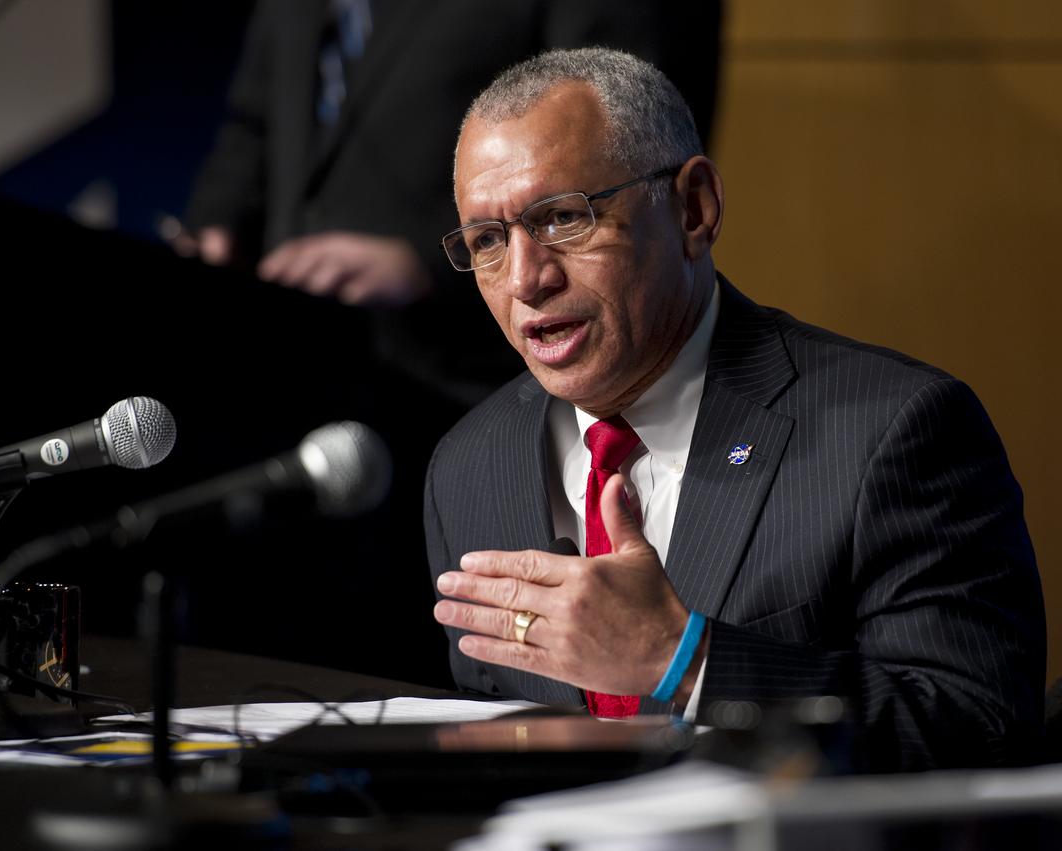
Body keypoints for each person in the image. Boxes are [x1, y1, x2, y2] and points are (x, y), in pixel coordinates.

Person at [424, 47, 1045, 771]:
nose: (525, 280)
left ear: (694, 208)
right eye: (488, 241)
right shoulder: (470, 465)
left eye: (563, 217)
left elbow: (979, 730)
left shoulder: (893, 430)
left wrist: (686, 659)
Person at [180, 0, 721, 405]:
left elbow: (636, 136)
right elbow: (256, 117)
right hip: (294, 358)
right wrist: (216, 221)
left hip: (464, 377)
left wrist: (444, 254)